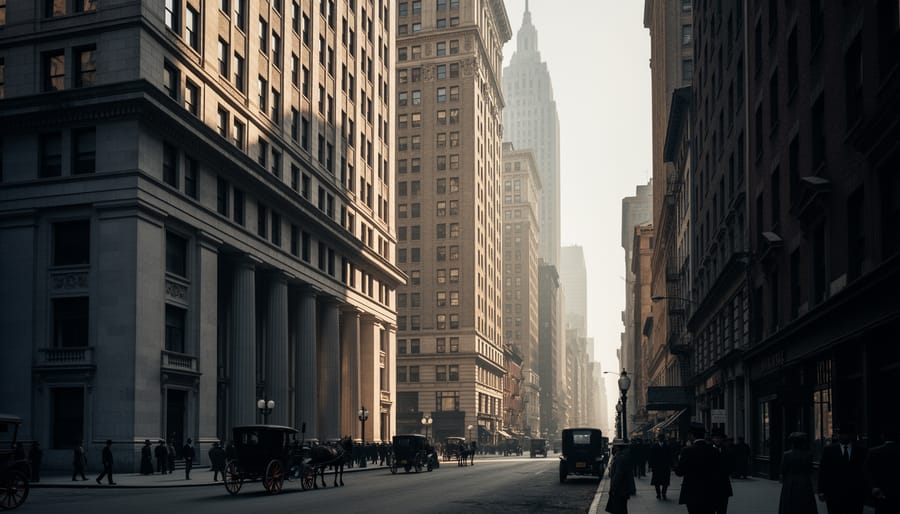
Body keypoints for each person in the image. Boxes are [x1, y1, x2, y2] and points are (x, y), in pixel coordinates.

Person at [817, 425, 868, 514]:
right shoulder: (829, 450)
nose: (844, 436)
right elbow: (823, 471)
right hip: (834, 493)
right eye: (841, 434)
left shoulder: (861, 451)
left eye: (846, 434)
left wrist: (866, 490)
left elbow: (865, 471)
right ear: (838, 436)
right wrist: (821, 490)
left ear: (851, 436)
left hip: (855, 493)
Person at [675, 423, 720, 514]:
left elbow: (680, 472)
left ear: (692, 435)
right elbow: (719, 470)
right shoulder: (713, 450)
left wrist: (677, 463)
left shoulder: (686, 451)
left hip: (692, 491)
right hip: (710, 491)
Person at [778, 432, 817, 514]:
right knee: (805, 504)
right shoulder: (808, 455)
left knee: (790, 504)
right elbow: (810, 470)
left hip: (790, 482)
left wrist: (783, 478)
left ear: (792, 443)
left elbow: (783, 470)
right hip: (805, 482)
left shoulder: (787, 455)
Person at [865, 425, 900, 514]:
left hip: (881, 492)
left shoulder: (873, 452)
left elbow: (867, 471)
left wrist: (873, 487)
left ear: (883, 436)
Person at [710, 429, 734, 514]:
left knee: (722, 509)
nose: (717, 440)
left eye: (719, 438)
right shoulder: (708, 450)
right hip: (710, 485)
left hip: (723, 484)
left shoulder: (727, 449)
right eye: (715, 438)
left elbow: (731, 464)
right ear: (712, 439)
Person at [606, 441, 632, 514]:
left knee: (619, 509)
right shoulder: (621, 456)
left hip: (619, 489)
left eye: (614, 446)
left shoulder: (620, 458)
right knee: (621, 509)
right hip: (622, 489)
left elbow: (618, 474)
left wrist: (613, 487)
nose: (613, 448)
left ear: (617, 448)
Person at [649, 433, 673, 500]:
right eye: (660, 438)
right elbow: (651, 457)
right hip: (657, 467)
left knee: (665, 481)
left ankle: (663, 493)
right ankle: (658, 494)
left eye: (661, 438)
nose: (661, 439)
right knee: (657, 482)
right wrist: (651, 465)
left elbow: (670, 456)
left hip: (665, 466)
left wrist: (671, 465)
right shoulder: (654, 446)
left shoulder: (667, 446)